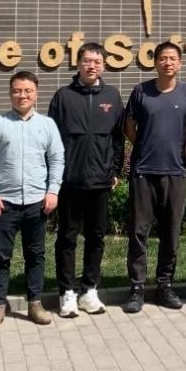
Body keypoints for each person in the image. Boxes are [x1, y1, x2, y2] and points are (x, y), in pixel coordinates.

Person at [0, 71, 63, 330]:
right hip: (4, 203)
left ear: (36, 94)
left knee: (36, 255)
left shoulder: (47, 125)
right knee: (0, 256)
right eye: (17, 90)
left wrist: (53, 191)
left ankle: (35, 303)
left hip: (37, 202)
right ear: (10, 93)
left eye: (27, 91)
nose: (22, 95)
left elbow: (57, 159)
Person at [122, 41, 186, 314]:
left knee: (171, 232)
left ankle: (165, 285)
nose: (167, 62)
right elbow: (129, 127)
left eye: (172, 58)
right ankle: (137, 288)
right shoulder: (140, 91)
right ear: (155, 62)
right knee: (138, 232)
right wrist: (145, 145)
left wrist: (177, 147)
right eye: (163, 58)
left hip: (175, 171)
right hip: (143, 172)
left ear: (179, 63)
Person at [48, 43, 124, 319]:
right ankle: (67, 292)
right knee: (67, 238)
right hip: (70, 180)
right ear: (78, 63)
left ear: (103, 65)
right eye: (87, 61)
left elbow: (118, 138)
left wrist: (115, 170)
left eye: (97, 61)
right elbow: (52, 139)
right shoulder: (63, 96)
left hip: (100, 181)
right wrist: (55, 175)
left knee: (96, 237)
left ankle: (89, 289)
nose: (92, 66)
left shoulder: (112, 96)